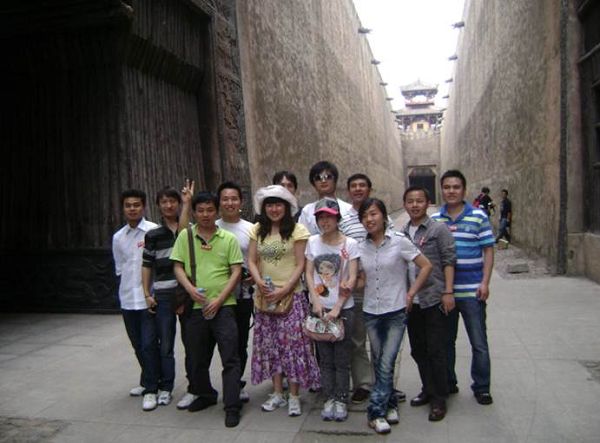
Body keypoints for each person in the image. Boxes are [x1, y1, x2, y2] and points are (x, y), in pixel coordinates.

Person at [357, 198, 432, 434]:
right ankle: (390, 404)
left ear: (383, 216)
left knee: (387, 361)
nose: (369, 219)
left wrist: (411, 293)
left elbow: (426, 266)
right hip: (371, 311)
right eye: (364, 216)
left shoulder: (399, 242)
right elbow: (361, 279)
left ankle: (375, 413)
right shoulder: (360, 247)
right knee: (379, 361)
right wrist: (347, 284)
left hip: (395, 312)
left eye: (373, 214)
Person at [170, 191, 243, 428]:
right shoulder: (186, 236)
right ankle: (206, 394)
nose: (205, 214)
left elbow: (236, 271)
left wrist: (220, 299)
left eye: (210, 210)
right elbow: (177, 266)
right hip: (195, 307)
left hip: (224, 307)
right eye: (200, 210)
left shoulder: (228, 238)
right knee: (196, 357)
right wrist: (190, 290)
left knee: (230, 357)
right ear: (194, 212)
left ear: (216, 211)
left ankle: (232, 406)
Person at [248, 185, 320, 417]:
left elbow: (300, 264)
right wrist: (259, 282)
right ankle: (278, 392)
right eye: (269, 205)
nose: (274, 209)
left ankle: (295, 395)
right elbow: (251, 260)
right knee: (272, 346)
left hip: (292, 297)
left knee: (294, 347)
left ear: (287, 207)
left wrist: (286, 289)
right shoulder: (257, 230)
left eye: (278, 204)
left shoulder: (298, 230)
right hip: (265, 297)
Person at [431, 170, 495, 406]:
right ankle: (449, 382)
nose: (451, 191)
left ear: (464, 190)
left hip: (472, 291)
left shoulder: (478, 216)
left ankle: (482, 387)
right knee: (446, 342)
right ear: (442, 190)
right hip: (445, 293)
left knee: (478, 342)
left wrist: (485, 282)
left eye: (456, 187)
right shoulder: (435, 219)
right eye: (447, 187)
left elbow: (488, 250)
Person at [402, 186, 456, 422]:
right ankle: (428, 388)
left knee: (436, 350)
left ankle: (439, 398)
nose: (415, 205)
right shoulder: (402, 233)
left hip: (433, 297)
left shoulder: (438, 229)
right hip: (412, 302)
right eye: (410, 201)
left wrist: (448, 291)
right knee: (418, 349)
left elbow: (449, 260)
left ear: (427, 203)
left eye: (419, 201)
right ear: (405, 205)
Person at [305, 198, 359, 422]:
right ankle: (328, 397)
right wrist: (315, 301)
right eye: (320, 217)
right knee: (325, 359)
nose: (324, 221)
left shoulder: (350, 244)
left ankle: (341, 398)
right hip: (319, 309)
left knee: (342, 359)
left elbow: (352, 278)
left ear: (337, 219)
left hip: (343, 310)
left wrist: (337, 307)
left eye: (329, 217)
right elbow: (309, 273)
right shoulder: (312, 242)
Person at [141, 184, 192, 408]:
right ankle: (166, 387)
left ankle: (194, 386)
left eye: (173, 201)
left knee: (191, 342)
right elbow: (146, 265)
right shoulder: (153, 235)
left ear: (178, 204)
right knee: (165, 343)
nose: (169, 205)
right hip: (162, 293)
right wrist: (147, 293)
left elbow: (183, 234)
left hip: (186, 292)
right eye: (164, 202)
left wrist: (188, 203)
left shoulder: (189, 229)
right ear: (158, 206)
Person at [112, 189, 159, 411]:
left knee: (149, 344)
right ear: (123, 208)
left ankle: (151, 390)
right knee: (137, 344)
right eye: (128, 205)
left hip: (148, 298)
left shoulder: (153, 231)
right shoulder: (118, 237)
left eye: (136, 205)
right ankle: (148, 379)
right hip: (127, 298)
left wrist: (154, 293)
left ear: (144, 206)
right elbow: (120, 268)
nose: (132, 209)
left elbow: (159, 265)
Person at [215, 181, 254, 403]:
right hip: (215, 296)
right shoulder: (211, 226)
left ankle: (236, 384)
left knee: (239, 342)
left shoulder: (251, 229)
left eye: (234, 199)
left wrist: (254, 277)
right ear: (219, 202)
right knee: (217, 343)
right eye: (225, 199)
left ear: (241, 202)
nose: (230, 203)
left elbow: (258, 259)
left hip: (242, 295)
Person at [298, 161, 352, 234]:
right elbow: (302, 237)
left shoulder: (348, 209)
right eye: (318, 178)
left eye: (328, 177)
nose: (323, 181)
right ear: (313, 183)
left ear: (335, 181)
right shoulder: (307, 211)